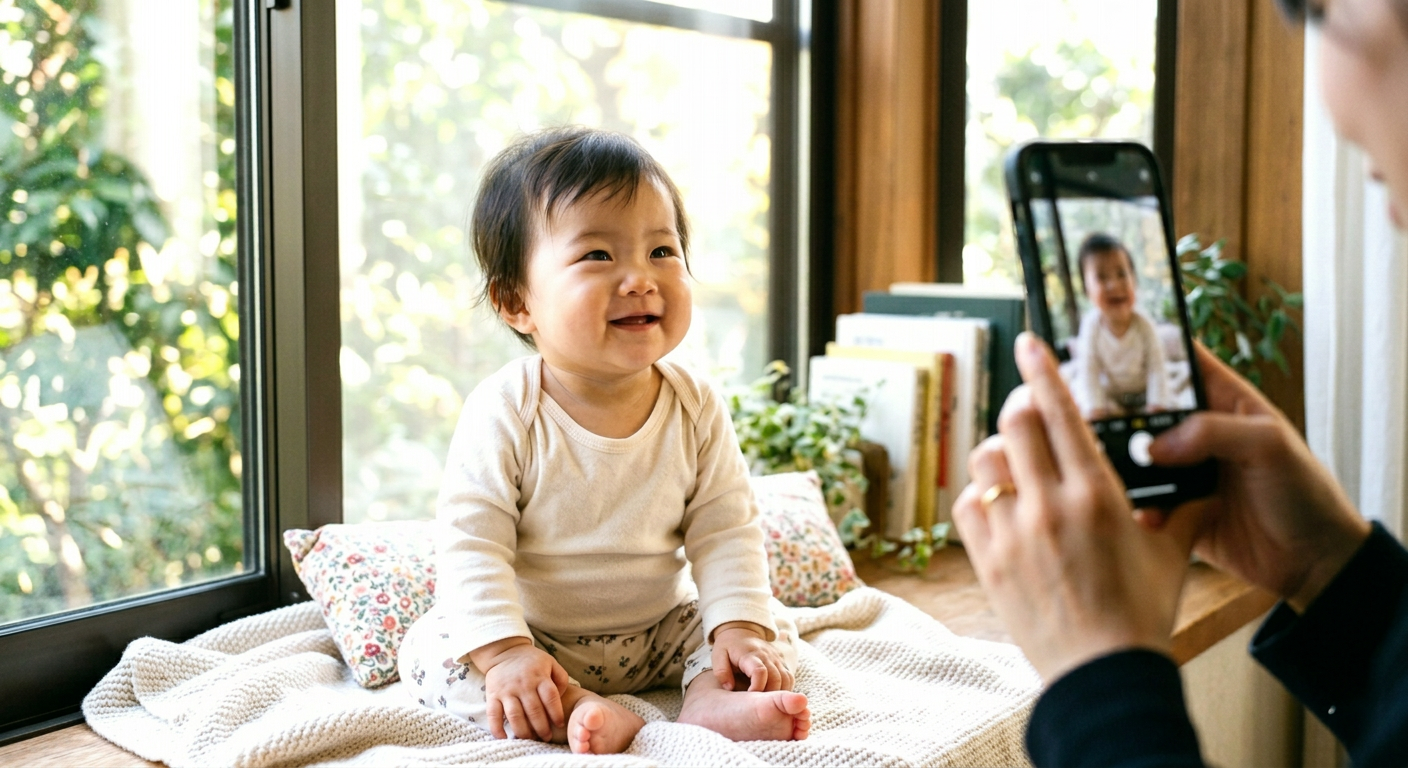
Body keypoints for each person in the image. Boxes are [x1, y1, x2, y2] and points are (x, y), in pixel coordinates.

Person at [953, 0, 1408, 765]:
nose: (1394, 219)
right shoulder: (1096, 337)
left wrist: (1100, 678)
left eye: (1392, 181)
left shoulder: (1155, 337)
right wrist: (1331, 568)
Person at [399, 127, 810, 755]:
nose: (640, 279)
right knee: (433, 651)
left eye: (662, 252)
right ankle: (573, 705)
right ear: (517, 302)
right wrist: (507, 652)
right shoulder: (508, 409)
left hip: (658, 630)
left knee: (763, 623)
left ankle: (708, 700)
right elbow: (471, 544)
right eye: (598, 256)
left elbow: (725, 529)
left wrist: (736, 629)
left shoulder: (693, 404)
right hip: (539, 640)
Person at [1069, 233, 1172, 418]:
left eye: (1122, 274)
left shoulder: (1143, 323)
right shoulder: (1091, 326)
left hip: (1144, 391)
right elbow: (1089, 371)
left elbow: (1157, 367)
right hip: (1113, 394)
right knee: (1082, 401)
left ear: (1135, 281)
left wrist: (1156, 404)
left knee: (1170, 402)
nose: (1113, 285)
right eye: (1101, 277)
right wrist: (1096, 409)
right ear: (1086, 290)